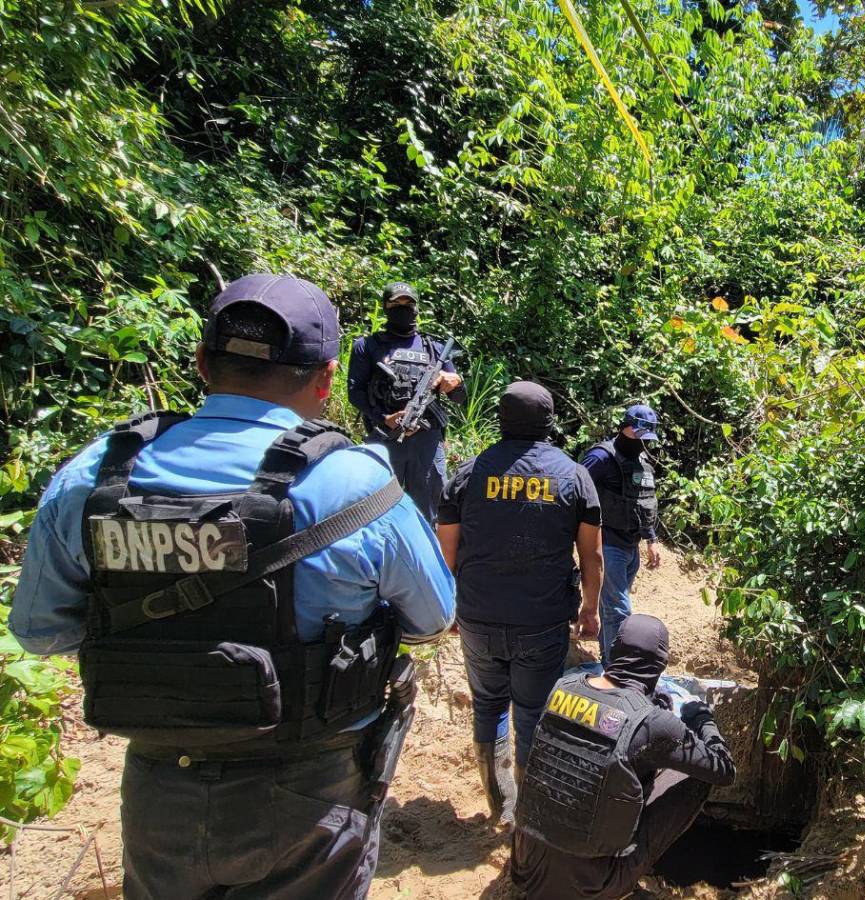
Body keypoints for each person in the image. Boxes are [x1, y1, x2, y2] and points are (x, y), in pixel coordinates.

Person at [9, 274, 456, 900]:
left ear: (200, 364)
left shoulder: (98, 475)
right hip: (312, 787)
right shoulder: (357, 485)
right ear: (327, 379)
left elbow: (39, 632)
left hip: (159, 781)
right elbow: (433, 617)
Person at [437, 381, 604, 824]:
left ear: (501, 419)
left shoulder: (468, 474)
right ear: (549, 422)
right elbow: (593, 555)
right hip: (542, 621)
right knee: (533, 713)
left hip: (477, 615)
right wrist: (591, 609)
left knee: (488, 704)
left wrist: (448, 605)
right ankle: (528, 817)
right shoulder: (574, 476)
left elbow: (446, 551)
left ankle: (499, 801)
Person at [511, 614, 735, 899]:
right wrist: (703, 719)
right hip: (589, 887)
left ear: (614, 652)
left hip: (526, 868)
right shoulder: (654, 724)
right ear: (659, 667)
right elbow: (724, 769)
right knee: (696, 773)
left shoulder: (563, 688)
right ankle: (624, 880)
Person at [347, 281, 465, 524]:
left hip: (427, 442)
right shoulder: (367, 346)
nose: (402, 308)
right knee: (374, 512)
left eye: (408, 303)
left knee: (430, 514)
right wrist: (384, 418)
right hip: (385, 438)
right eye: (395, 303)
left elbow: (459, 397)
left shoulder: (435, 349)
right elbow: (355, 392)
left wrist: (455, 382)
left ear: (416, 308)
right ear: (385, 307)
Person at [580, 404, 662, 665]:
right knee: (619, 611)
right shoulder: (602, 456)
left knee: (610, 608)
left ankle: (608, 664)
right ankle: (618, 671)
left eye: (646, 438)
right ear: (625, 427)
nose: (642, 443)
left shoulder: (641, 463)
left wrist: (651, 539)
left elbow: (643, 502)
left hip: (630, 546)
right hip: (607, 545)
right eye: (638, 435)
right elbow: (576, 488)